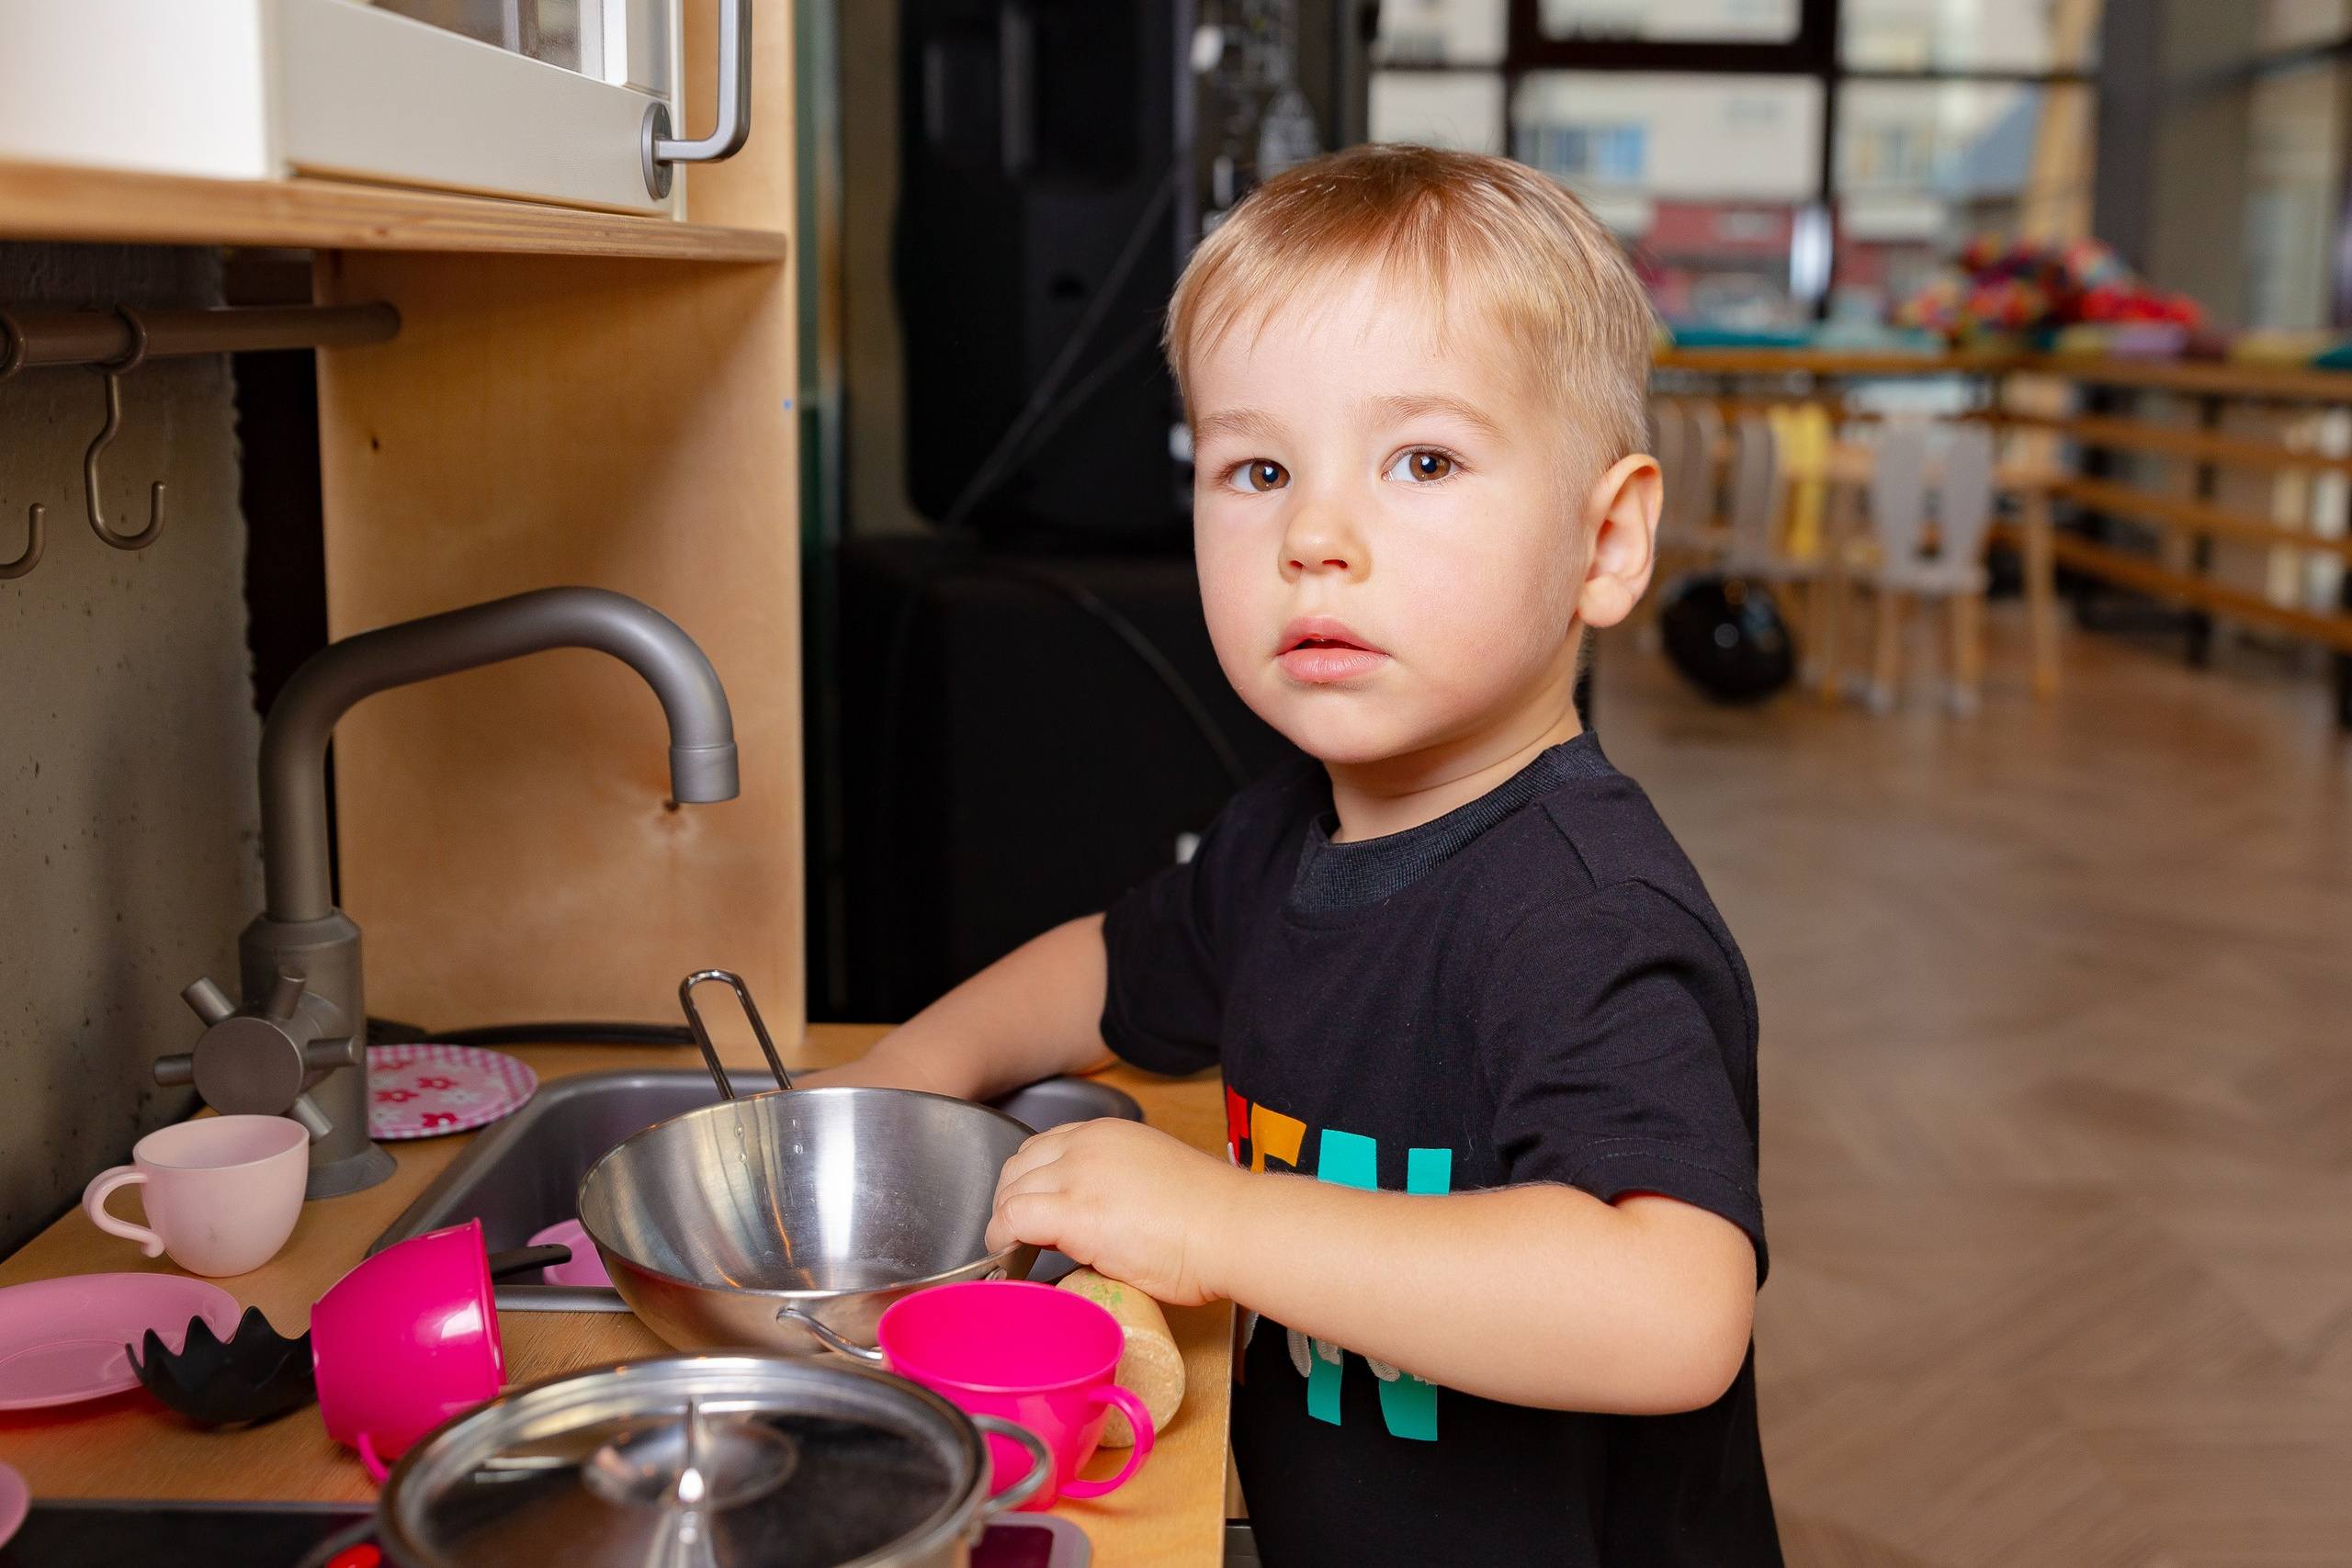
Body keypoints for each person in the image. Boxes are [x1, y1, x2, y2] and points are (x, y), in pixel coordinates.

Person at [802, 144, 1779, 1565]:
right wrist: (897, 1087)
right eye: (1257, 469)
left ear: (1607, 542)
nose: (1315, 535)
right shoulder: (1282, 833)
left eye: (1423, 461)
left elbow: (1672, 1313)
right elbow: (1110, 965)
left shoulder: (1582, 916)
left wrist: (1221, 1225)